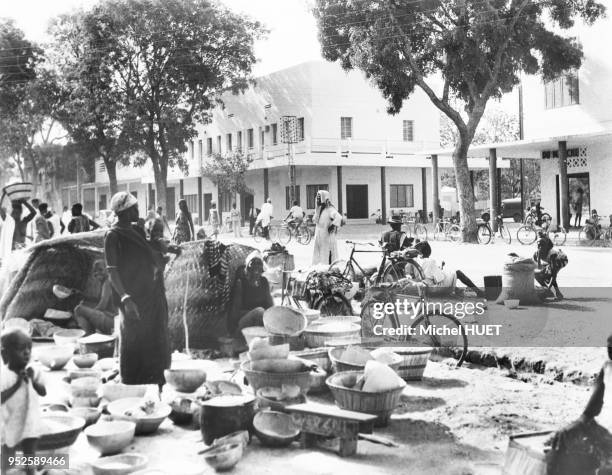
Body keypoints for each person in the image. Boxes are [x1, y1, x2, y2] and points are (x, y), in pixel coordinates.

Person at [104, 191, 170, 388]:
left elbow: (149, 253)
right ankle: (131, 383)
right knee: (133, 339)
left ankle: (155, 381)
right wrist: (125, 298)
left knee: (154, 336)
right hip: (131, 298)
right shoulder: (113, 236)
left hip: (150, 294)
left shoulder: (137, 231)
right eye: (134, 208)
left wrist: (164, 254)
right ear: (124, 211)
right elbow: (112, 271)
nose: (138, 210)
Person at [547, 334, 612, 475]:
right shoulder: (607, 367)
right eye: (609, 347)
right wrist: (572, 428)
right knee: (562, 440)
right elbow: (591, 409)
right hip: (603, 431)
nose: (610, 351)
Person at [1, 328, 46, 475]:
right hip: (9, 422)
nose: (27, 352)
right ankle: (6, 472)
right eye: (21, 349)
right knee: (8, 450)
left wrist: (33, 381)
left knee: (29, 452)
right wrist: (17, 384)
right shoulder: (4, 376)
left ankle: (30, 472)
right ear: (5, 354)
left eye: (29, 348)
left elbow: (43, 392)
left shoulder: (33, 370)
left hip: (30, 421)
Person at [412, 241, 485, 297]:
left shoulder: (416, 261)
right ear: (429, 252)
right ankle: (478, 292)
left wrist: (439, 268)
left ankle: (458, 290)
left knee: (449, 274)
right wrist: (440, 267)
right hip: (433, 289)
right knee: (457, 273)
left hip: (424, 288)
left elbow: (427, 274)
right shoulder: (431, 261)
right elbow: (439, 278)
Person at [228, 252, 274, 339]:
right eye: (253, 263)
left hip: (260, 320)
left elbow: (270, 305)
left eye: (259, 263)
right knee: (259, 311)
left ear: (262, 268)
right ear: (248, 267)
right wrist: (256, 314)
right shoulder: (241, 283)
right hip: (242, 323)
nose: (256, 266)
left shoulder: (264, 282)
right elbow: (235, 314)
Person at [74, 260, 117, 335]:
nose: (97, 273)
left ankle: (89, 336)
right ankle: (91, 335)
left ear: (107, 270)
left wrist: (91, 312)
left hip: (112, 321)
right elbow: (100, 301)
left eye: (100, 270)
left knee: (78, 309)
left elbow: (102, 306)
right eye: (95, 271)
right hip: (114, 320)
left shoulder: (107, 282)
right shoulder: (109, 281)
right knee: (85, 306)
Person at [312, 190, 343, 265]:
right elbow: (315, 220)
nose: (318, 199)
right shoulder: (318, 209)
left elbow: (338, 217)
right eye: (317, 198)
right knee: (318, 254)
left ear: (324, 198)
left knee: (326, 254)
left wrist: (333, 225)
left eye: (320, 198)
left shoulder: (330, 209)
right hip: (319, 235)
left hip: (326, 236)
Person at [534, 231, 567, 300]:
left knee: (550, 274)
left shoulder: (552, 255)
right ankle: (548, 292)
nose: (540, 248)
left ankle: (557, 292)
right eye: (538, 245)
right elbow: (536, 267)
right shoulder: (536, 254)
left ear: (546, 247)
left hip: (561, 260)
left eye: (542, 246)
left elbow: (554, 274)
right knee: (537, 274)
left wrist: (549, 286)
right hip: (549, 262)